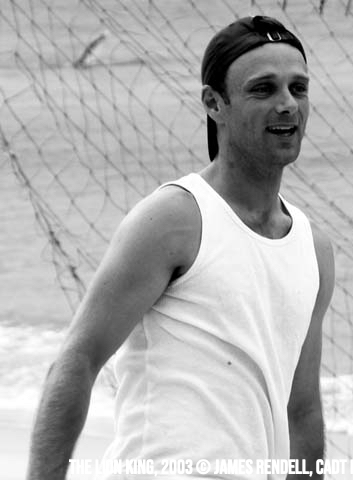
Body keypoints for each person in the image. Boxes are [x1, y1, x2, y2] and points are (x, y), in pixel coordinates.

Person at [27, 15, 334, 480]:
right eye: (263, 89)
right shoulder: (175, 218)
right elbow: (78, 360)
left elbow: (302, 410)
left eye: (298, 88)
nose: (287, 104)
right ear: (214, 103)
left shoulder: (314, 248)